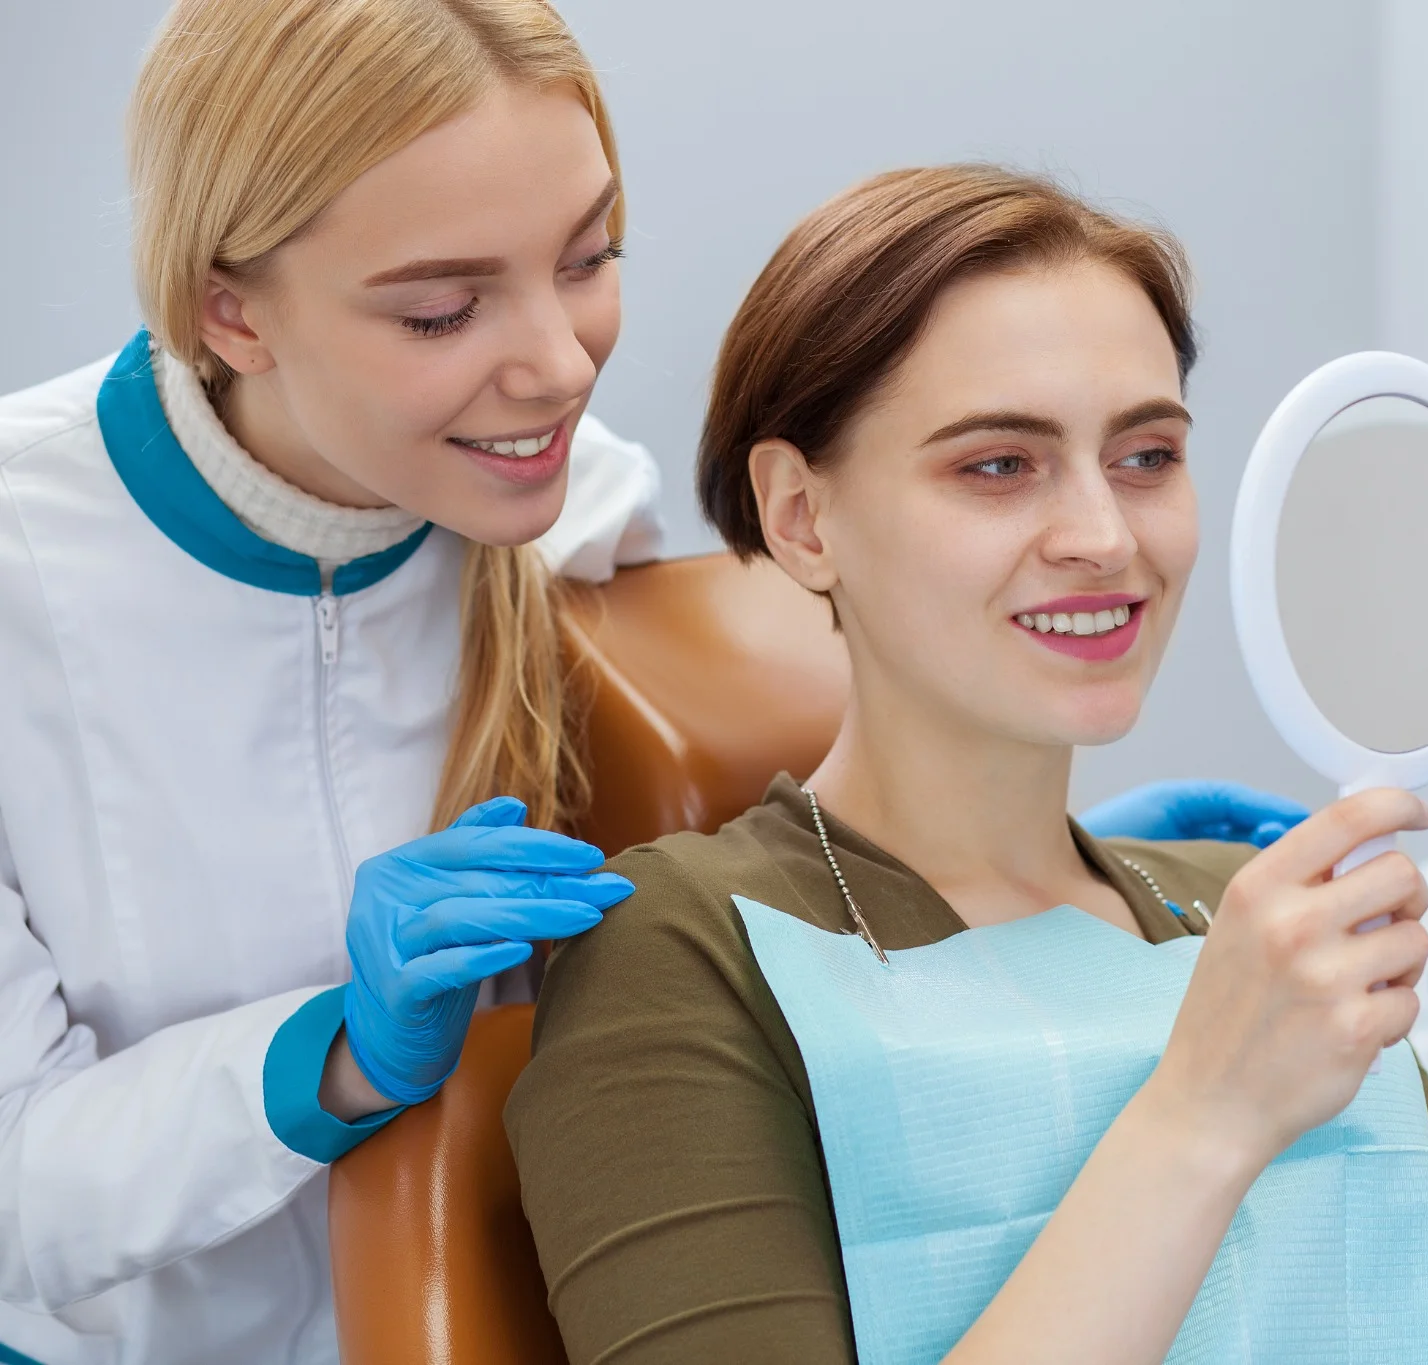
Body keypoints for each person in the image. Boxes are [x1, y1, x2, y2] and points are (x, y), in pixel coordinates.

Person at [0, 6, 1292, 1362]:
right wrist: (334, 1054)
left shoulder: (562, 503)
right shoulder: (34, 568)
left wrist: (1026, 884)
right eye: (443, 307)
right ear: (228, 307)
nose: (558, 365)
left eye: (588, 259)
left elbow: (748, 894)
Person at [507, 165, 1428, 1364]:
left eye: (1144, 457)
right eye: (997, 465)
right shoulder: (683, 949)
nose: (1105, 538)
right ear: (803, 518)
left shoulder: (1245, 907)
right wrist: (1205, 1109)